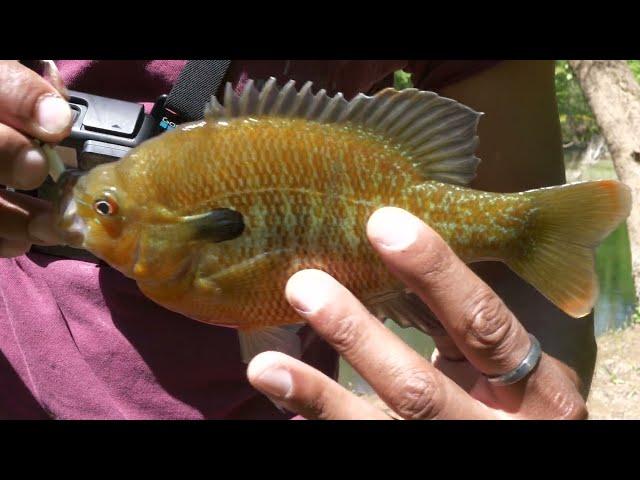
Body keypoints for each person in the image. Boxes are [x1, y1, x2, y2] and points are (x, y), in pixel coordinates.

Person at [0, 60, 589, 419]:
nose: (91, 215)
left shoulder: (187, 267)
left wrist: (530, 387)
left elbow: (524, 310)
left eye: (107, 210)